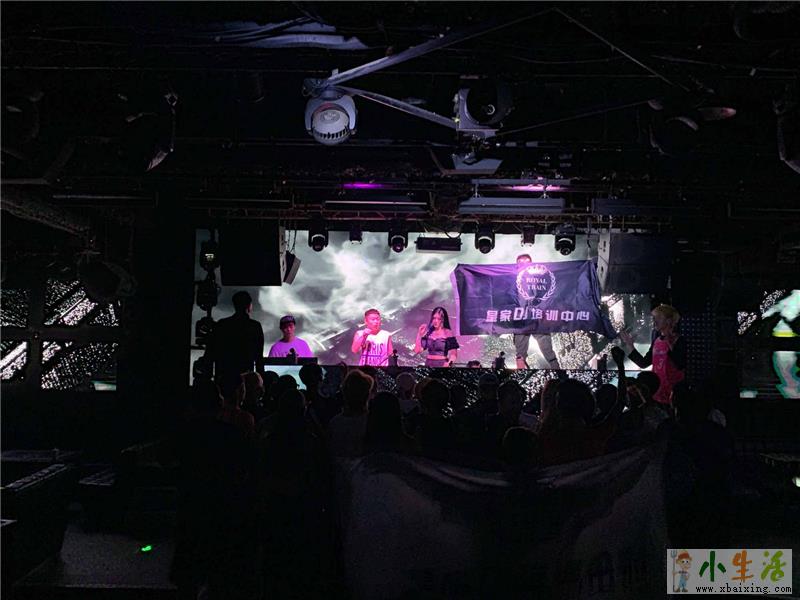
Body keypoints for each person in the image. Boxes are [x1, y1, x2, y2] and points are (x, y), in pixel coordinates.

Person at [619, 303, 686, 406]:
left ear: (669, 321)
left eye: (658, 317)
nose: (654, 321)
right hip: (656, 393)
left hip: (673, 395)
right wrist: (630, 345)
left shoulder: (679, 340)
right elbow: (644, 363)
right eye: (654, 317)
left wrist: (670, 345)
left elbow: (680, 365)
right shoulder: (656, 339)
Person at [204, 290, 264, 398]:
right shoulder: (255, 327)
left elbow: (210, 352)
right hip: (246, 380)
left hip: (223, 377)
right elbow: (259, 357)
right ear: (249, 306)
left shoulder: (221, 325)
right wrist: (261, 382)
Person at [513, 254, 560, 370]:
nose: (524, 263)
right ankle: (520, 372)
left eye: (526, 261)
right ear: (516, 263)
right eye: (521, 261)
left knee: (547, 349)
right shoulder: (511, 278)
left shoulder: (540, 277)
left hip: (538, 318)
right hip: (521, 320)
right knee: (520, 352)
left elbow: (549, 294)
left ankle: (558, 372)